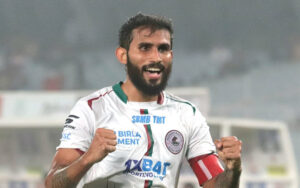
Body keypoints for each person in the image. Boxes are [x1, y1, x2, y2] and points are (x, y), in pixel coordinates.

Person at [45, 13, 242, 188]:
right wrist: (87, 159)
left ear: (171, 56)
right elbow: (53, 184)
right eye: (145, 48)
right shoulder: (91, 108)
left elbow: (214, 184)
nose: (156, 57)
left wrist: (233, 169)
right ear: (123, 55)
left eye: (163, 49)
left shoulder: (187, 114)